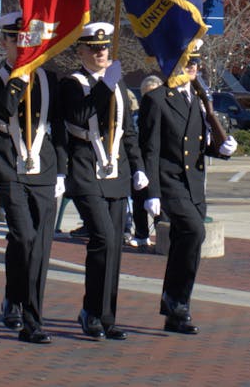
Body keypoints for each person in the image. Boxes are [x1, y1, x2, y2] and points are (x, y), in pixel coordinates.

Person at [138, 44, 237, 335]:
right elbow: (150, 149)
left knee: (186, 243)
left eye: (195, 62)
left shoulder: (197, 98)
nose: (193, 67)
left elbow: (198, 144)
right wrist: (152, 192)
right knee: (195, 232)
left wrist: (221, 149)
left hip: (193, 184)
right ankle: (177, 302)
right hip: (170, 181)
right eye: (187, 62)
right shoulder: (157, 99)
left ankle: (176, 308)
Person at [0, 11, 66, 345]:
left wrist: (62, 170)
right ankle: (17, 299)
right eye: (15, 39)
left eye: (27, 38)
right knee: (23, 236)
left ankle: (30, 316)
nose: (22, 44)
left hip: (43, 167)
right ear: (4, 42)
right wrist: (20, 77)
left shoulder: (50, 79)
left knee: (39, 245)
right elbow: (3, 108)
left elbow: (58, 128)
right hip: (9, 167)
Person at [59, 22, 147, 341]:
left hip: (115, 172)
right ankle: (91, 311)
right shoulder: (72, 83)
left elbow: (127, 131)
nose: (101, 54)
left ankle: (107, 316)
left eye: (105, 48)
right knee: (104, 239)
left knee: (115, 246)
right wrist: (105, 86)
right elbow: (80, 116)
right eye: (94, 49)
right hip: (86, 171)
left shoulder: (117, 83)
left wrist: (138, 168)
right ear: (81, 51)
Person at [126, 74, 163, 251]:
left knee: (159, 202)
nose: (150, 98)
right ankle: (141, 234)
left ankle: (162, 234)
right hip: (140, 162)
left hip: (158, 163)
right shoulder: (136, 116)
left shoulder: (164, 115)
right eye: (146, 94)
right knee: (139, 199)